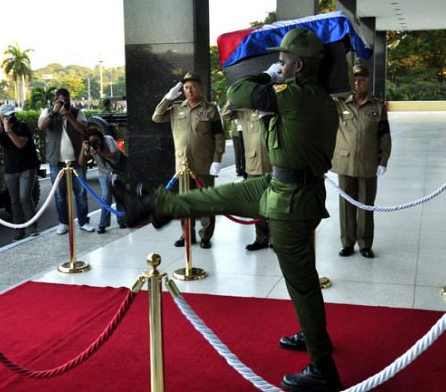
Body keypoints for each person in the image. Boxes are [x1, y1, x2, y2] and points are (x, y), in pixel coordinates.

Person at [114, 28, 342, 391]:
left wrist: (269, 76)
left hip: (291, 201)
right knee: (217, 198)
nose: (277, 64)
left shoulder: (296, 96)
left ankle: (323, 367)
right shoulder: (314, 97)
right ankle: (152, 205)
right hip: (281, 185)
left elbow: (237, 93)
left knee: (302, 284)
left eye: (283, 60)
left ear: (298, 65)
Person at [152, 72, 225, 249]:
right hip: (183, 165)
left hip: (204, 163)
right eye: (186, 87)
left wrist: (217, 159)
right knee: (184, 202)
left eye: (193, 87)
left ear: (200, 88)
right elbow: (156, 116)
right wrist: (167, 98)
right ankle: (187, 235)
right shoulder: (176, 108)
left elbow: (219, 136)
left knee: (206, 202)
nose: (189, 90)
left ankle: (205, 236)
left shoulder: (210, 109)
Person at [331, 64, 392, 259]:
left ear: (368, 82)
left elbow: (384, 134)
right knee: (346, 205)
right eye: (355, 80)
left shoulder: (377, 106)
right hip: (345, 163)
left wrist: (383, 160)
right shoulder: (339, 103)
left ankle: (365, 244)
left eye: (362, 80)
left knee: (366, 206)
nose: (358, 83)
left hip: (368, 163)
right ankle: (347, 243)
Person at [38, 88, 95, 234]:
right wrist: (54, 112)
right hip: (56, 161)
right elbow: (41, 126)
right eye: (61, 101)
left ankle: (83, 222)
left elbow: (83, 130)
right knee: (59, 194)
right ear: (55, 101)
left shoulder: (77, 112)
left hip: (77, 160)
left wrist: (68, 115)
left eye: (67, 101)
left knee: (81, 193)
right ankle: (63, 222)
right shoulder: (48, 112)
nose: (65, 104)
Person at [222, 100, 272, 251]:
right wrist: (232, 98)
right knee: (257, 204)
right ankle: (261, 238)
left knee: (276, 203)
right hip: (253, 162)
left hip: (274, 161)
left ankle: (277, 238)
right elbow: (225, 115)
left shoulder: (272, 104)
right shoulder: (244, 110)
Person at [0, 105, 40, 241]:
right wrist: (0, 126)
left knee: (24, 196)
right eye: (6, 116)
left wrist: (8, 130)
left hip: (27, 167)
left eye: (11, 115)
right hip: (11, 169)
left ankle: (32, 227)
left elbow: (20, 144)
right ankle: (19, 230)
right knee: (14, 200)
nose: (9, 118)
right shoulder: (0, 127)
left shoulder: (22, 126)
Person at [78, 128, 126, 234]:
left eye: (97, 140)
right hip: (103, 173)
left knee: (119, 195)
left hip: (116, 171)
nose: (96, 143)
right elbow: (81, 163)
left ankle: (122, 220)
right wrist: (83, 149)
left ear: (101, 138)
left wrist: (100, 152)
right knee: (105, 197)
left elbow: (115, 157)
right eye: (93, 141)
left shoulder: (108, 140)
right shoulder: (90, 147)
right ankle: (103, 224)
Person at [221, 101, 246, 177]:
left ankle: (244, 170)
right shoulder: (232, 100)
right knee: (238, 152)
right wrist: (230, 100)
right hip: (237, 130)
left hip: (248, 129)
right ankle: (239, 170)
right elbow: (224, 114)